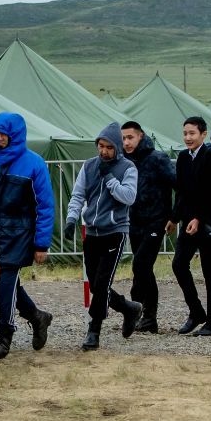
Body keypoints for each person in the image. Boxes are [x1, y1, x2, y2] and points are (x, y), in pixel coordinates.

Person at [0, 113, 54, 359]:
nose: (0, 138)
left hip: (20, 231)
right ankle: (36, 316)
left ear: (16, 135)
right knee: (8, 284)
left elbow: (45, 205)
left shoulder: (34, 163)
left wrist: (42, 243)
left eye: (4, 134)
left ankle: (4, 336)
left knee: (7, 278)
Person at [64, 123, 141, 350]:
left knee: (102, 282)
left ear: (117, 147)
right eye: (100, 146)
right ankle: (129, 308)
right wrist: (71, 219)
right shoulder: (89, 166)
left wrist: (110, 179)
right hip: (93, 231)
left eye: (108, 147)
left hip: (114, 232)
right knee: (97, 287)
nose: (104, 151)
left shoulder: (128, 168)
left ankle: (94, 329)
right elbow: (78, 195)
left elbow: (129, 197)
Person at [120, 120, 175, 333]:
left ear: (140, 136)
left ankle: (144, 313)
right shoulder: (124, 160)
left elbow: (176, 184)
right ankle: (141, 314)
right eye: (123, 138)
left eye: (130, 137)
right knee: (142, 268)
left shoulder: (157, 159)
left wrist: (174, 217)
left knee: (141, 265)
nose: (126, 142)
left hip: (156, 219)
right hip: (134, 221)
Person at [172, 116, 211, 336]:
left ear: (203, 134)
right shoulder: (183, 157)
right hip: (188, 221)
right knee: (179, 264)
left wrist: (198, 218)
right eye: (185, 133)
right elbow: (181, 191)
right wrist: (173, 218)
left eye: (192, 133)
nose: (188, 137)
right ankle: (196, 311)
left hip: (207, 219)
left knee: (210, 272)